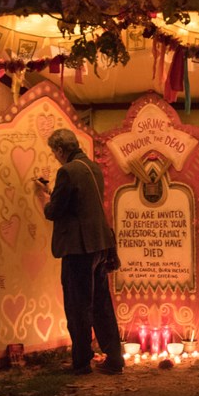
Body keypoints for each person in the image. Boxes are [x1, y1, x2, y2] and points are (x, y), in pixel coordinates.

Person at [34, 128, 125, 376]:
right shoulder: (92, 168)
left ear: (61, 150)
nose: (54, 157)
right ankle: (115, 358)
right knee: (101, 304)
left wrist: (42, 196)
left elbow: (54, 212)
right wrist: (55, 194)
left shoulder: (66, 171)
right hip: (99, 245)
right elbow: (78, 204)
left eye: (54, 153)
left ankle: (81, 361)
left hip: (78, 248)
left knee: (78, 305)